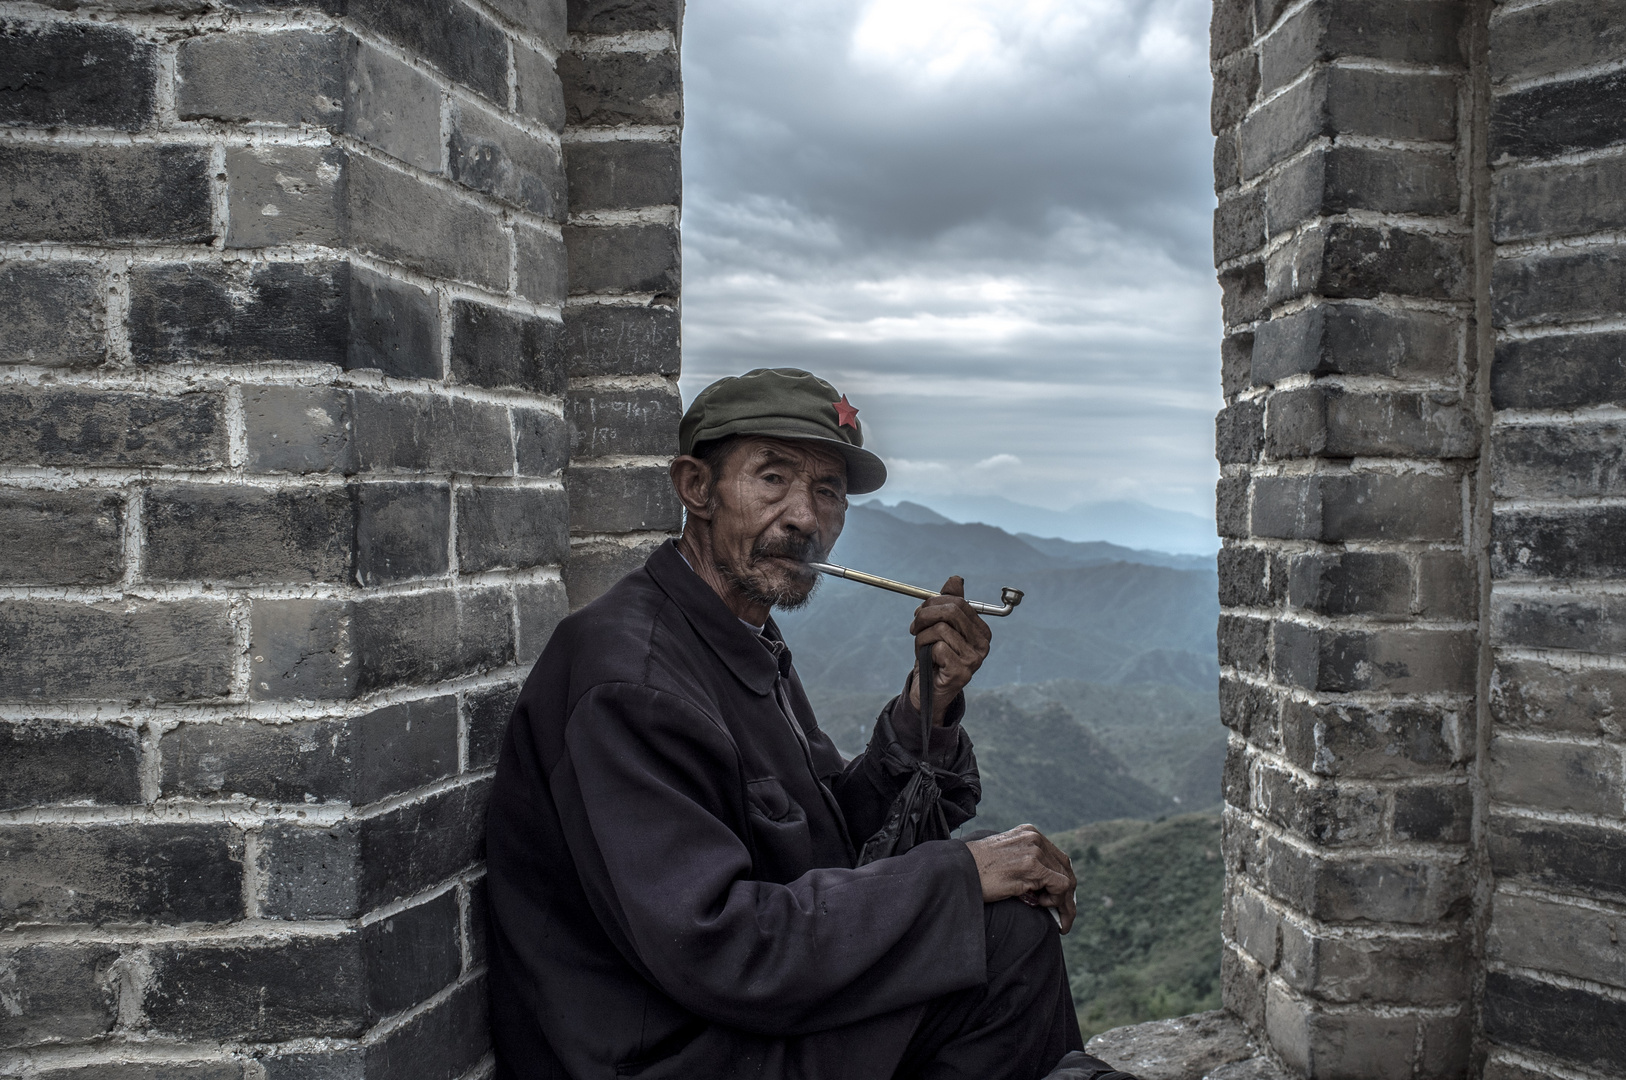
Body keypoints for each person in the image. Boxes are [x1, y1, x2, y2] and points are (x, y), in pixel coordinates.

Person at [485, 369, 1137, 1080]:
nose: (805, 516)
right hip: (672, 1051)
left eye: (827, 492)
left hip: (738, 1019)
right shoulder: (630, 681)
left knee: (1003, 933)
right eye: (773, 478)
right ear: (696, 489)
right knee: (999, 941)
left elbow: (833, 837)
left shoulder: (738, 638)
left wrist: (928, 706)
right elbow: (720, 950)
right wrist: (958, 877)